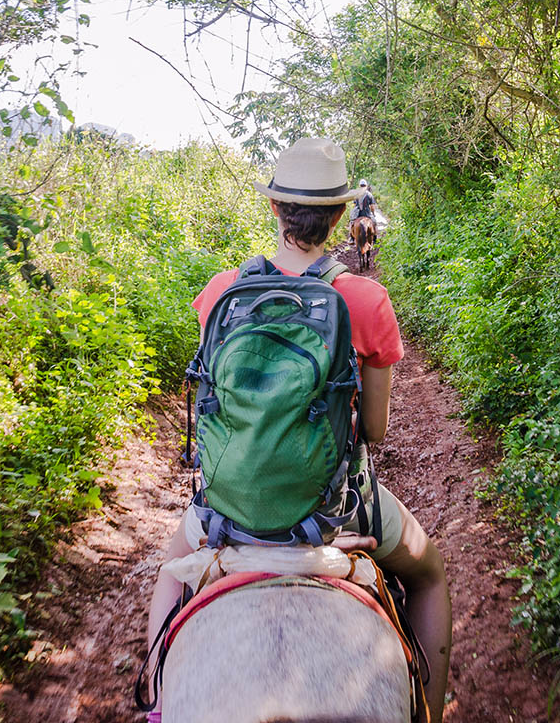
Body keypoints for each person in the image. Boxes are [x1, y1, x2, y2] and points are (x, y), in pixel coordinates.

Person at [147, 138, 451, 722]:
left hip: (229, 507)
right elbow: (377, 431)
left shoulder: (221, 292)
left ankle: (160, 705)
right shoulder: (365, 297)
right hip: (338, 508)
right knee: (430, 575)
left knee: (169, 574)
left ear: (275, 210)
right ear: (341, 216)